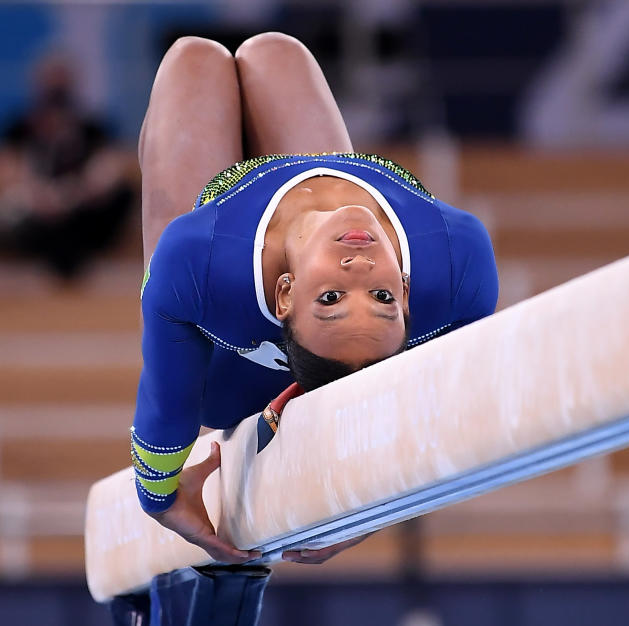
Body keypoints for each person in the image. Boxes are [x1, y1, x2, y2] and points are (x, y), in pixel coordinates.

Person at [132, 32, 498, 566]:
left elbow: (167, 407)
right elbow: (448, 431)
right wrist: (374, 514)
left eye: (330, 297)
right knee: (273, 52)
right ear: (406, 292)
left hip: (222, 374)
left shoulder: (201, 258)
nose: (360, 268)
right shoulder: (457, 256)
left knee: (193, 61)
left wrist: (159, 496)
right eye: (380, 296)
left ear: (285, 293)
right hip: (321, 357)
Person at [0, 54, 136, 279]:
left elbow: (108, 168)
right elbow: (9, 168)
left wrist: (73, 194)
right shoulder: (20, 128)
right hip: (36, 212)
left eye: (61, 82)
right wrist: (40, 196)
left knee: (122, 195)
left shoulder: (92, 127)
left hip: (81, 209)